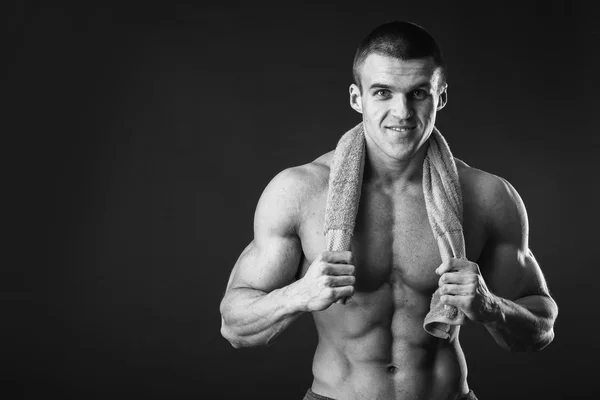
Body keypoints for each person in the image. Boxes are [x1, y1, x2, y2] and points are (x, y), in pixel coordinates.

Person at [219, 21, 558, 400]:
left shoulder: (487, 197)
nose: (402, 112)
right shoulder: (299, 192)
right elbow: (234, 325)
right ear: (356, 98)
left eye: (418, 93)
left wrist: (492, 307)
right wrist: (299, 294)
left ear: (440, 97)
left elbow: (541, 328)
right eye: (382, 92)